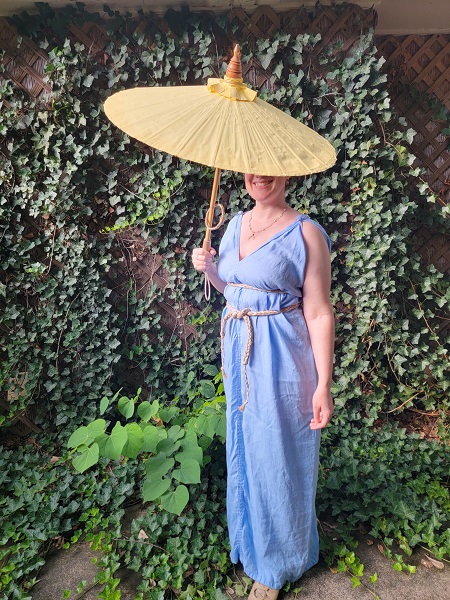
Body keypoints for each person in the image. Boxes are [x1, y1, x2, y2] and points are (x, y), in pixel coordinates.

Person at [192, 173, 334, 600]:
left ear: (286, 172)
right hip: (240, 354)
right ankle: (250, 542)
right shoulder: (234, 223)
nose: (259, 175)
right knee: (247, 446)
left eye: (270, 167)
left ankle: (276, 564)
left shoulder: (307, 233)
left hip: (282, 355)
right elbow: (237, 290)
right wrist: (210, 269)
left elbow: (320, 312)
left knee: (279, 452)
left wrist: (324, 384)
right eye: (251, 167)